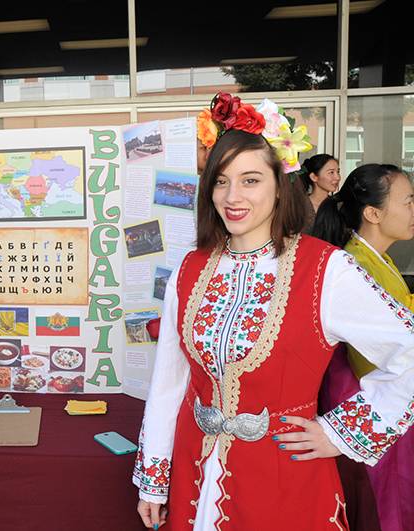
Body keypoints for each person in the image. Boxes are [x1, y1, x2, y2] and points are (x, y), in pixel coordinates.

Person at [133, 93, 414, 530]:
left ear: (279, 183)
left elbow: (408, 350)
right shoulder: (190, 269)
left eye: (250, 180)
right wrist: (154, 477)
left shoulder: (326, 269)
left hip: (285, 478)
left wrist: (343, 432)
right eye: (221, 181)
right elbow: (169, 380)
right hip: (195, 472)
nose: (232, 196)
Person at [313, 163, 414, 531]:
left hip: (385, 390)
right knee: (383, 504)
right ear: (373, 213)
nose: (413, 210)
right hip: (370, 394)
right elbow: (377, 357)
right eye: (409, 201)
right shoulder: (355, 265)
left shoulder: (376, 257)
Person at [301, 154, 341, 229]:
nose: (338, 177)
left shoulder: (338, 206)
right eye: (331, 172)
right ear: (314, 177)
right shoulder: (299, 206)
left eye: (338, 172)